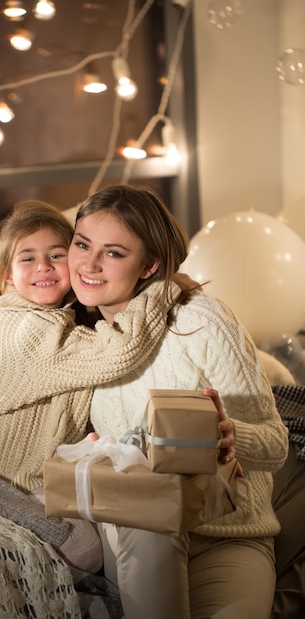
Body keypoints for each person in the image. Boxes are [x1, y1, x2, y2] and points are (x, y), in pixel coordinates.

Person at [65, 184, 289, 619]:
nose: (88, 265)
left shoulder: (200, 321)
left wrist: (232, 436)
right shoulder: (85, 344)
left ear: (148, 265)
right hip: (138, 533)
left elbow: (277, 444)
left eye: (113, 253)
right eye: (81, 244)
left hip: (226, 539)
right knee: (142, 510)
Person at [0, 197, 182, 571]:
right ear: (8, 274)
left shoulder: (52, 320)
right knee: (88, 550)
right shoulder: (26, 329)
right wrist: (162, 290)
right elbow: (117, 352)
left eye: (56, 255)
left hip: (29, 478)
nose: (43, 266)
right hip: (3, 480)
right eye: (27, 258)